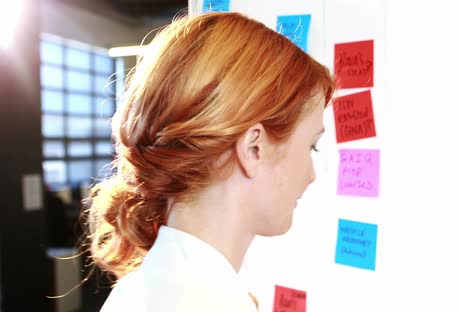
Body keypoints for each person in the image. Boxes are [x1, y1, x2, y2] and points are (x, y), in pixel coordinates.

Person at [84, 12, 334, 311]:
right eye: (311, 146)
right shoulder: (213, 301)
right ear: (254, 148)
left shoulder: (135, 289)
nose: (311, 175)